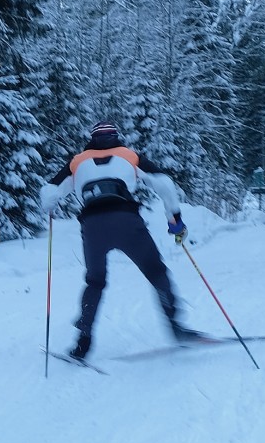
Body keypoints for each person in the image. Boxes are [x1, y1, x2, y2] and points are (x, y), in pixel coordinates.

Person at [40, 121, 199, 361]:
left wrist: (51, 206)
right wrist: (174, 221)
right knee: (156, 272)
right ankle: (177, 328)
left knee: (95, 282)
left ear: (91, 139)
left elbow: (49, 194)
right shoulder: (129, 155)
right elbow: (164, 184)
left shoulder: (77, 161)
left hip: (93, 227)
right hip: (127, 222)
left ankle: (82, 343)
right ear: (116, 136)